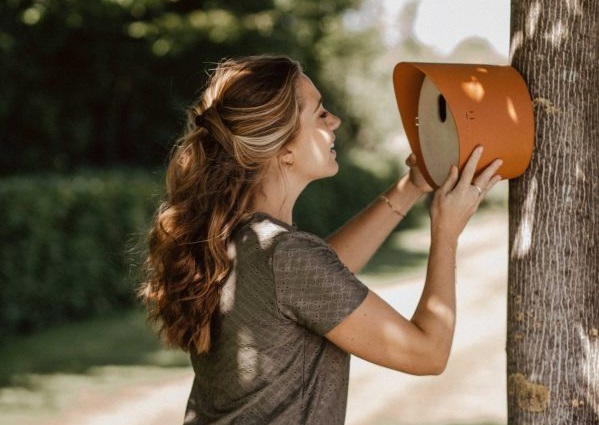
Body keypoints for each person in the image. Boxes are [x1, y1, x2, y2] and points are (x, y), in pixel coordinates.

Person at [139, 55, 503, 425]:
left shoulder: (241, 239)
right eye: (320, 114)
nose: (336, 122)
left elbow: (324, 271)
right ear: (284, 149)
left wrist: (412, 186)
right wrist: (446, 233)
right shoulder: (283, 256)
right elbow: (428, 353)